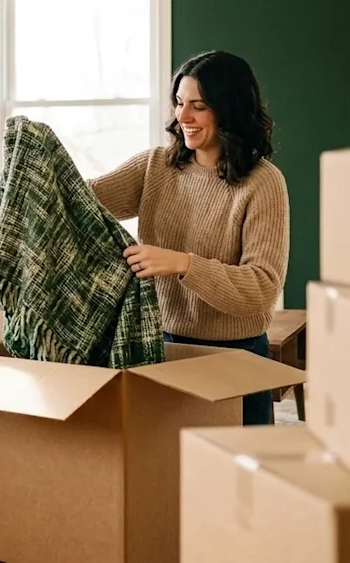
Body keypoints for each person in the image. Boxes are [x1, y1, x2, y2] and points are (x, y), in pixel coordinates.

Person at [89, 50, 290, 426]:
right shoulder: (155, 166)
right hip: (163, 347)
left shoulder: (263, 183)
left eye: (198, 106)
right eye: (179, 103)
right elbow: (80, 203)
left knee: (238, 480)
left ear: (229, 110)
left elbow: (261, 288)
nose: (182, 117)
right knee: (166, 476)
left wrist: (183, 263)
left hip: (237, 356)